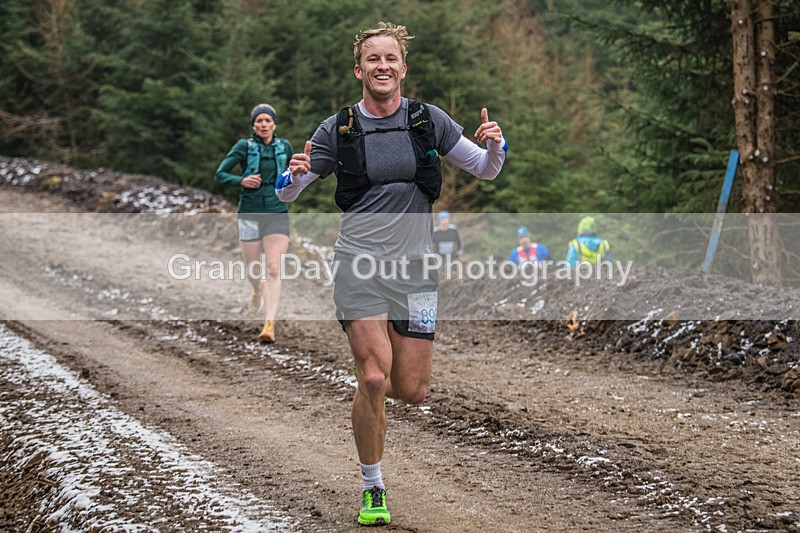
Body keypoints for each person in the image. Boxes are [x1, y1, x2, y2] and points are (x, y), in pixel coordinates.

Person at [275, 22, 506, 526]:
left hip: (417, 269)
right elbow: (287, 192)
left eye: (390, 58)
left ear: (404, 68)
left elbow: (486, 169)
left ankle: (371, 398)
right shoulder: (338, 129)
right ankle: (373, 487)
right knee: (375, 377)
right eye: (372, 59)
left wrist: (495, 144)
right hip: (359, 265)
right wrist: (289, 178)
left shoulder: (428, 121)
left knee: (411, 389)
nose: (382, 66)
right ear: (359, 70)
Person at [214, 103, 293, 343]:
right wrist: (242, 180)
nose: (263, 124)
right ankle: (257, 289)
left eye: (267, 120)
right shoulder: (244, 147)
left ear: (274, 124)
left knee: (273, 269)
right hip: (249, 212)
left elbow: (295, 176)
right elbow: (220, 174)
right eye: (259, 121)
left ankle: (269, 324)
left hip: (277, 212)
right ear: (254, 125)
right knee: (253, 269)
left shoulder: (285, 147)